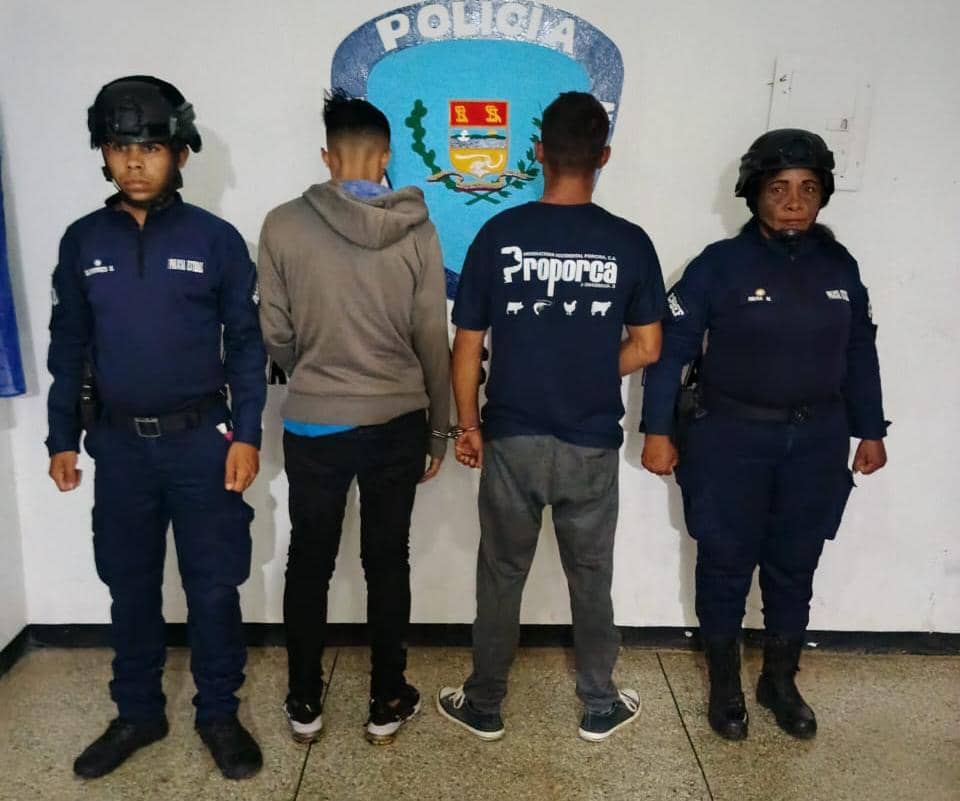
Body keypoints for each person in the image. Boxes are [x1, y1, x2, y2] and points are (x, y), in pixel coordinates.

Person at [46, 76, 267, 778]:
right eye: (120, 147)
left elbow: (248, 345)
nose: (135, 161)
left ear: (180, 154)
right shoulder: (83, 242)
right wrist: (61, 438)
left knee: (213, 586)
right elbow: (67, 346)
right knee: (130, 585)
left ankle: (219, 713)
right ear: (104, 154)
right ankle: (137, 712)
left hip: (203, 443)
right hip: (119, 447)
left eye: (150, 147)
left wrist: (249, 434)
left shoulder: (216, 240)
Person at [641, 129, 888, 741]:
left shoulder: (840, 266)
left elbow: (860, 351)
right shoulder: (718, 265)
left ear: (823, 195)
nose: (794, 201)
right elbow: (670, 351)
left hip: (817, 441)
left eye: (808, 188)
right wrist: (656, 430)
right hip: (730, 440)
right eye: (779, 188)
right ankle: (725, 684)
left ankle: (780, 680)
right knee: (725, 564)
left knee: (795, 566)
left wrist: (870, 429)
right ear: (753, 194)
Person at [437, 91, 665, 742]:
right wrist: (590, 369)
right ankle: (599, 703)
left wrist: (468, 425)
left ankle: (485, 703)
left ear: (538, 152)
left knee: (500, 574)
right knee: (591, 576)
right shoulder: (629, 242)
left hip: (511, 437)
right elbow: (649, 346)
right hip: (590, 443)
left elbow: (467, 345)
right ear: (603, 156)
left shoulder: (498, 234)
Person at [257, 91, 450, 746]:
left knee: (308, 560)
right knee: (387, 560)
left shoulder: (282, 225)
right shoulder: (419, 231)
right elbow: (432, 338)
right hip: (398, 419)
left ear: (327, 156)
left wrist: (316, 372)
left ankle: (304, 702)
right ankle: (386, 700)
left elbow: (276, 333)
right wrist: (440, 427)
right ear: (386, 155)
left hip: (314, 423)